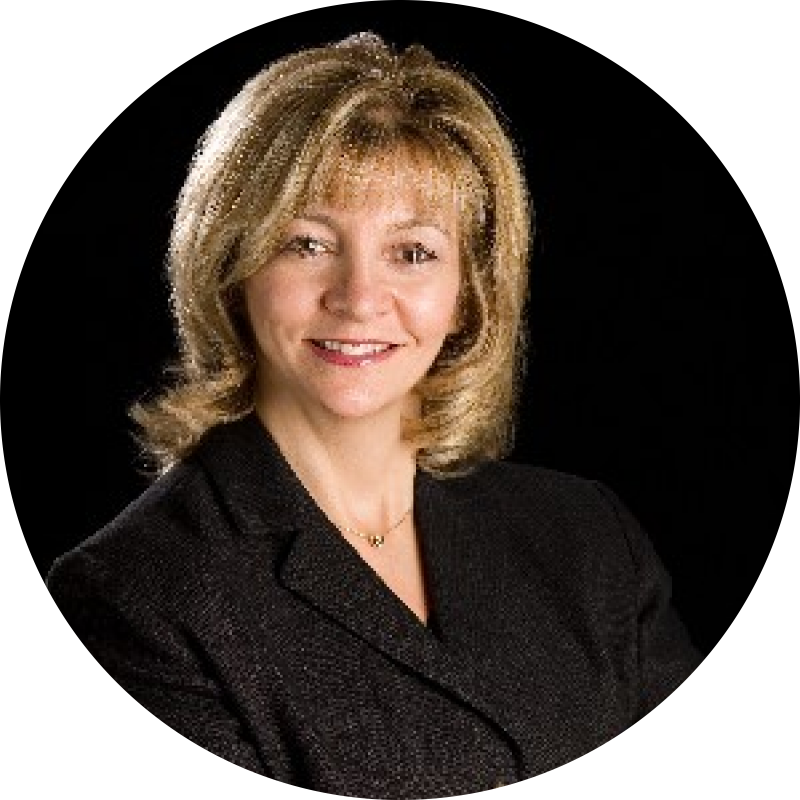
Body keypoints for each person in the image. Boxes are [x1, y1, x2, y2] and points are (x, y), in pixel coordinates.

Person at [45, 32, 794, 800]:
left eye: (412, 253)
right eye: (307, 243)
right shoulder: (144, 590)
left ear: (471, 292)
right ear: (234, 267)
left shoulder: (583, 538)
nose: (359, 298)